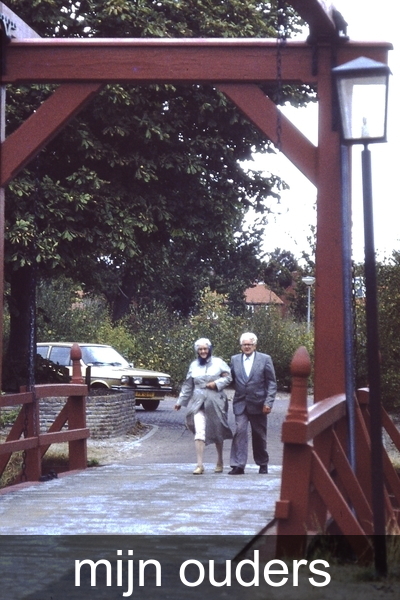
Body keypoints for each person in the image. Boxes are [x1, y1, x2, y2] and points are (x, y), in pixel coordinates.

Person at [174, 338, 233, 474]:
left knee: (217, 429)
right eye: (200, 349)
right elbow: (188, 384)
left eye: (205, 349)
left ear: (209, 349)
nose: (203, 351)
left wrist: (216, 383)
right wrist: (180, 401)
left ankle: (220, 460)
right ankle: (199, 464)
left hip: (215, 400)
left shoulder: (218, 363)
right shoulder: (194, 365)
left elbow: (228, 377)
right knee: (199, 431)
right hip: (198, 401)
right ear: (197, 351)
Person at [229, 332, 277, 475]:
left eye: (249, 344)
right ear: (241, 346)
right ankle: (238, 465)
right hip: (240, 403)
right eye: (244, 344)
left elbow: (272, 383)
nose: (247, 347)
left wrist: (268, 402)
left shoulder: (265, 359)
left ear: (255, 345)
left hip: (259, 404)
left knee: (259, 435)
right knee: (240, 431)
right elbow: (229, 379)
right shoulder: (234, 360)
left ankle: (263, 463)